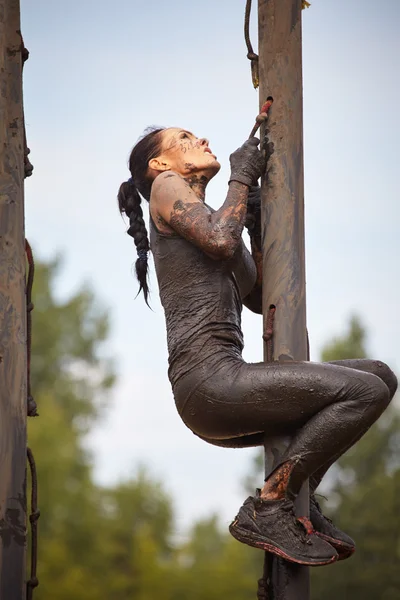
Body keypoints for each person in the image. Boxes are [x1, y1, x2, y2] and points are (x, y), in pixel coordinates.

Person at [117, 126, 397, 567]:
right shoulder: (165, 188)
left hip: (220, 390)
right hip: (210, 382)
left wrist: (255, 223)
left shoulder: (206, 218)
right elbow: (220, 241)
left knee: (380, 375)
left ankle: (293, 496)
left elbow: (257, 294)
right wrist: (241, 178)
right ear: (160, 164)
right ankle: (272, 504)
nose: (202, 139)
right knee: (366, 391)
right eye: (186, 137)